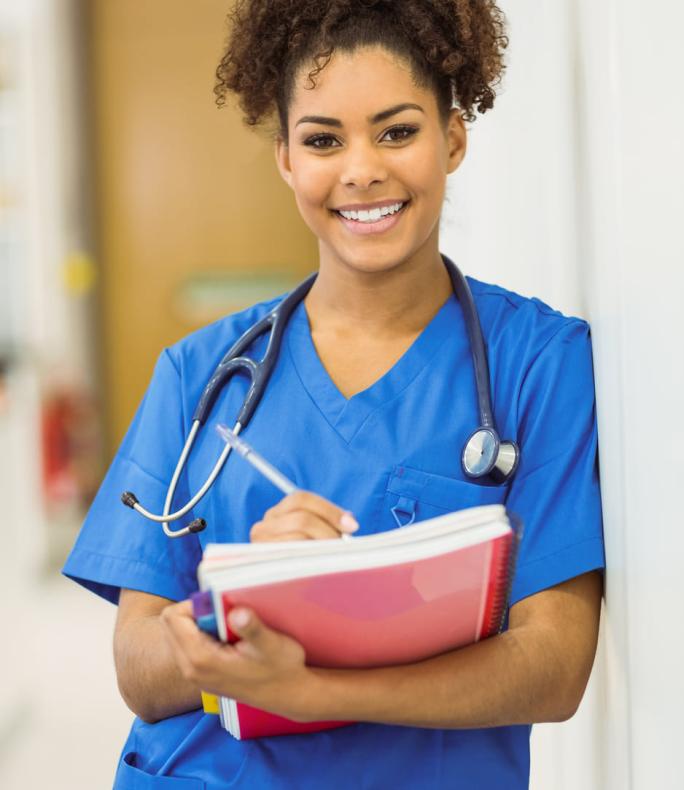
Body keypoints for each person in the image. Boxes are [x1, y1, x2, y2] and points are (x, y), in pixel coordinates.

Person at [62, 1, 605, 787]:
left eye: (397, 131)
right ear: (285, 156)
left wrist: (311, 689)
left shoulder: (538, 362)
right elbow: (141, 673)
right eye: (322, 140)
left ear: (453, 139)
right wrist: (245, 594)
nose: (361, 170)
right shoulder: (200, 373)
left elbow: (554, 668)